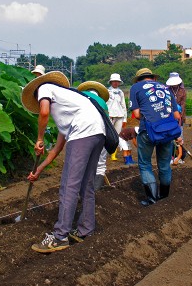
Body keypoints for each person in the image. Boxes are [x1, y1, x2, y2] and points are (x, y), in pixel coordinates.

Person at [21, 71, 106, 253]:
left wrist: (39, 138)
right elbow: (57, 149)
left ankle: (60, 237)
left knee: (69, 186)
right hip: (98, 132)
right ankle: (85, 230)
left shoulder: (44, 88)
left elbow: (43, 112)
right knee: (86, 185)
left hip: (83, 133)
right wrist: (39, 170)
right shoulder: (69, 106)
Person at [129, 68, 181, 206]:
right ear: (153, 78)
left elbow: (137, 113)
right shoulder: (165, 88)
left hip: (149, 130)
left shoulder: (135, 88)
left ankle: (152, 199)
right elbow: (177, 115)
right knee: (164, 164)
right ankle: (164, 196)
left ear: (139, 79)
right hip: (168, 130)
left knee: (145, 164)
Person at [77, 81, 110, 190]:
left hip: (83, 134)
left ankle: (81, 189)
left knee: (82, 162)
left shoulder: (80, 100)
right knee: (100, 165)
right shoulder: (103, 103)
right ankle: (95, 191)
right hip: (101, 134)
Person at [107, 73, 127, 161]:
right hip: (110, 116)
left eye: (117, 81)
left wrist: (125, 119)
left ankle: (113, 154)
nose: (115, 83)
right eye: (114, 81)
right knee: (108, 135)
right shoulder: (106, 92)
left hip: (119, 116)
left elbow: (123, 106)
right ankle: (106, 151)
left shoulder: (120, 92)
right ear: (111, 82)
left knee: (117, 135)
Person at [166, 72, 187, 139]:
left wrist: (181, 114)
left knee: (180, 131)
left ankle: (180, 146)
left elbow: (183, 103)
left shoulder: (182, 91)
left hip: (180, 114)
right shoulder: (167, 90)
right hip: (169, 113)